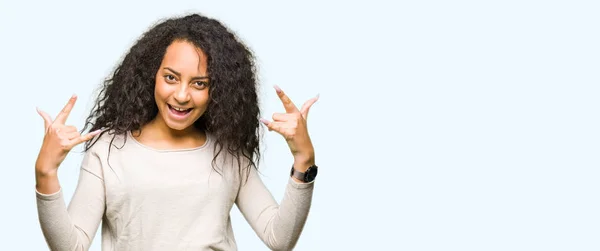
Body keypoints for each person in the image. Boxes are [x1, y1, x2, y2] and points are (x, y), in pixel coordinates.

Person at [34, 13, 319, 251]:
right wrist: (45, 172)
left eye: (199, 84)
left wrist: (304, 159)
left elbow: (279, 238)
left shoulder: (229, 153)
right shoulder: (107, 149)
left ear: (216, 91)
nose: (182, 95)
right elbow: (71, 246)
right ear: (151, 75)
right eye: (171, 78)